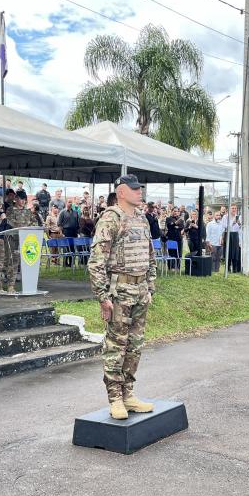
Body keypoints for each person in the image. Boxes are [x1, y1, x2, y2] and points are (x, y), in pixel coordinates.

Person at [88, 174, 157, 420]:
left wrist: (150, 288)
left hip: (139, 292)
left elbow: (150, 257)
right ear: (121, 192)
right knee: (116, 346)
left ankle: (129, 394)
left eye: (140, 188)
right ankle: (115, 398)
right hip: (119, 293)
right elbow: (96, 262)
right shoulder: (110, 218)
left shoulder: (142, 219)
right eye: (135, 189)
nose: (140, 192)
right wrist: (102, 296)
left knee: (135, 346)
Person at [3, 190, 34, 293]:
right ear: (16, 199)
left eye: (24, 199)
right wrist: (24, 226)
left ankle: (29, 285)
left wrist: (29, 227)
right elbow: (10, 221)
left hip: (26, 241)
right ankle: (11, 286)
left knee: (27, 262)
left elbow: (34, 222)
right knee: (13, 262)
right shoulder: (10, 210)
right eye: (21, 199)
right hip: (14, 240)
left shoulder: (28, 211)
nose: (23, 201)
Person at [222, 205, 242, 273]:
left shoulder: (238, 217)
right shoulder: (225, 217)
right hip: (228, 234)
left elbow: (240, 228)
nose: (234, 209)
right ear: (229, 209)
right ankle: (227, 268)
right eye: (232, 208)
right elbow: (224, 226)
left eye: (235, 208)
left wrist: (239, 224)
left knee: (235, 252)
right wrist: (232, 223)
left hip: (236, 235)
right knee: (228, 251)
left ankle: (234, 269)